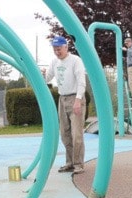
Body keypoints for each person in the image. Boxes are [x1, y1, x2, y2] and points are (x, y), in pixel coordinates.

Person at [43, 36, 87, 174]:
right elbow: (47, 78)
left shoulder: (75, 61)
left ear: (66, 47)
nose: (57, 51)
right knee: (65, 134)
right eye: (54, 49)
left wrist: (78, 100)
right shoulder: (55, 62)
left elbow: (81, 81)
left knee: (76, 134)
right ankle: (69, 162)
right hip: (62, 98)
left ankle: (78, 164)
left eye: (59, 49)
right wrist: (43, 74)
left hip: (75, 97)